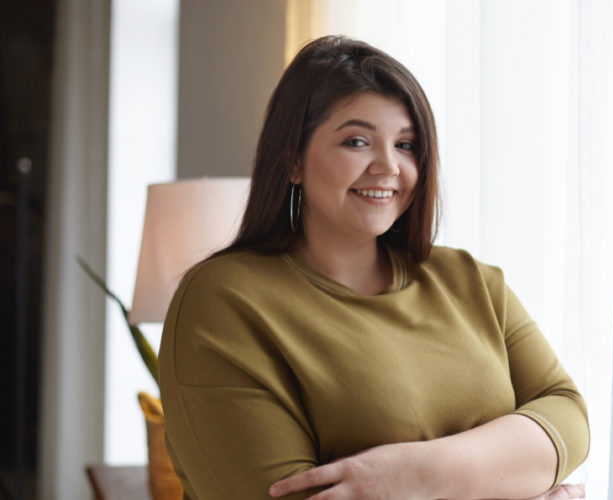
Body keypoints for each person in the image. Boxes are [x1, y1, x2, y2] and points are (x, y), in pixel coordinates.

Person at [158, 35, 589, 500]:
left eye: (406, 144)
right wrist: (512, 479)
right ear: (292, 160)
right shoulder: (222, 301)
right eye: (357, 141)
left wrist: (420, 475)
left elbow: (567, 415)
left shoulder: (473, 281)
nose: (388, 166)